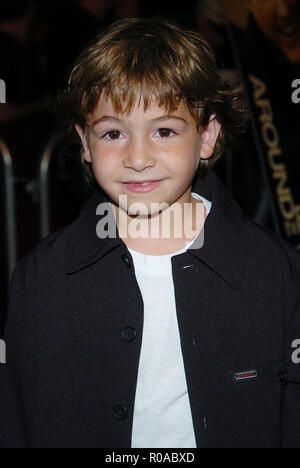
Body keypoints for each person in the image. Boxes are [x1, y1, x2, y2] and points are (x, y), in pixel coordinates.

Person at [0, 17, 300, 449]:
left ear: (208, 136)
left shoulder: (276, 272)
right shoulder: (41, 279)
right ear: (85, 143)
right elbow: (17, 420)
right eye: (113, 132)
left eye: (164, 130)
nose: (137, 157)